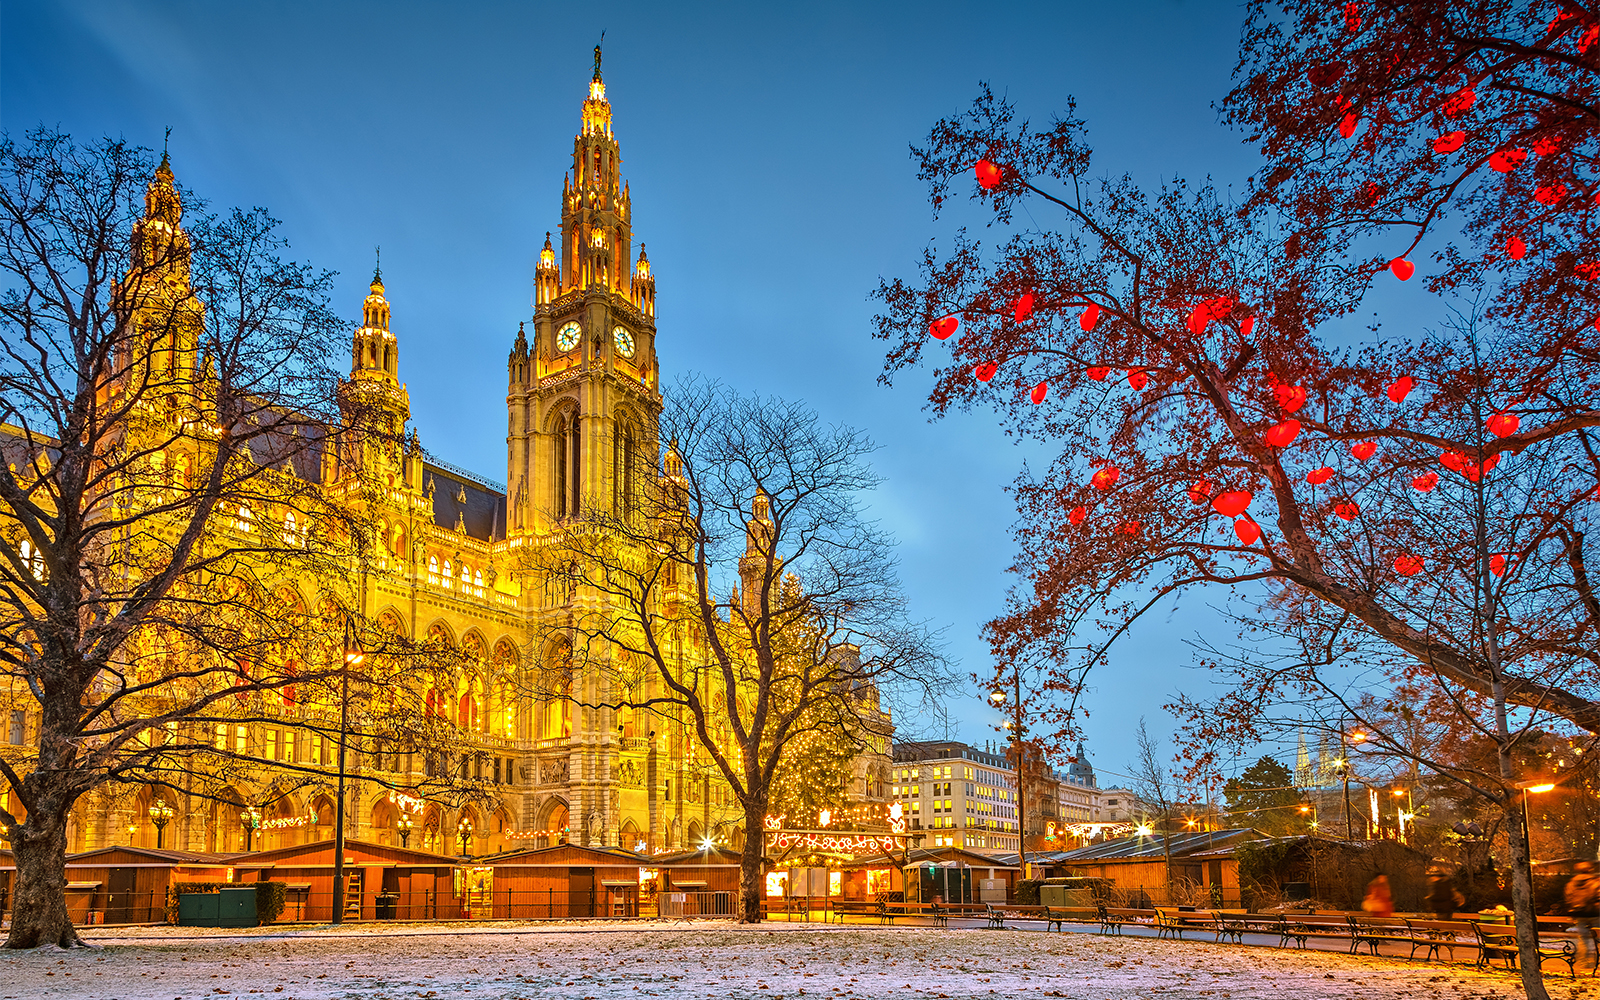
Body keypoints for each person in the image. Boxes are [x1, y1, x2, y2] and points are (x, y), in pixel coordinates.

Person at [1565, 861, 1600, 970]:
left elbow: (1568, 897)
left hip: (1579, 913)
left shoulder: (1572, 883)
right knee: (1599, 937)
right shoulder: (1595, 881)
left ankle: (1584, 962)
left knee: (1583, 938)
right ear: (1590, 870)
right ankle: (1597, 961)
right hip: (1594, 913)